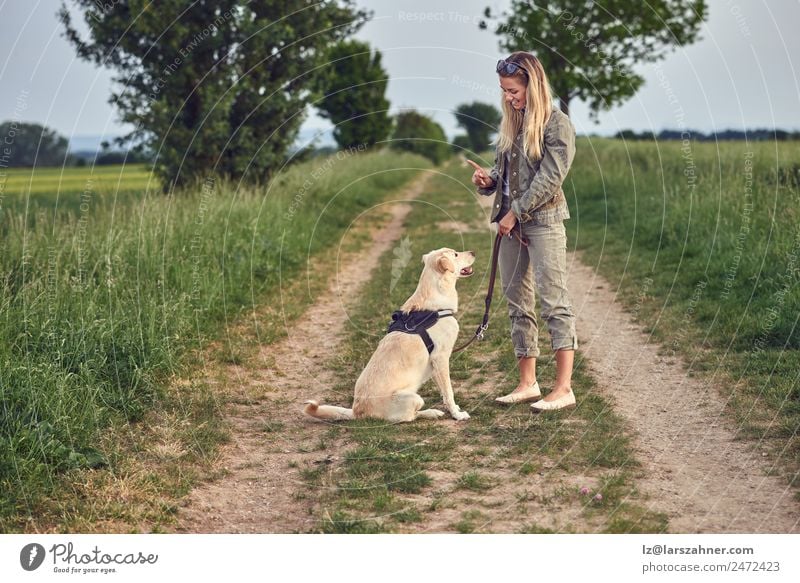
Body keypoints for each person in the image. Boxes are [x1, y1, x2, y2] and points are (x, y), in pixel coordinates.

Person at [467, 51, 578, 412]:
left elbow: (550, 178)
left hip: (543, 221)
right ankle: (528, 383)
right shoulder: (513, 124)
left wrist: (515, 213)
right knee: (517, 302)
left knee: (553, 302)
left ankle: (563, 388)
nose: (509, 98)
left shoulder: (556, 124)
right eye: (504, 91)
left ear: (533, 83)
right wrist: (488, 181)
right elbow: (510, 177)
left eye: (513, 90)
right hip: (510, 224)